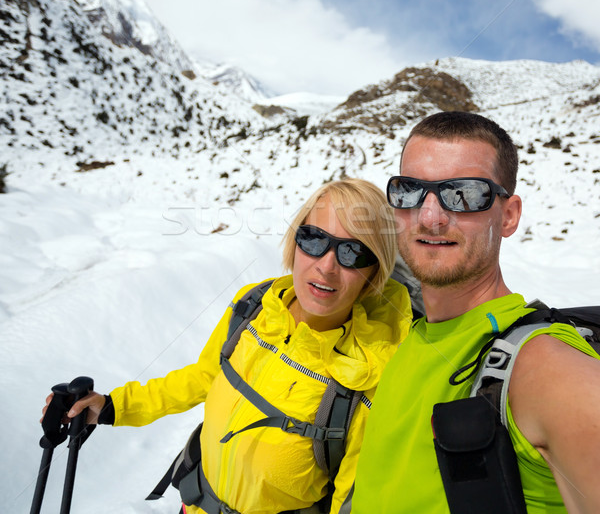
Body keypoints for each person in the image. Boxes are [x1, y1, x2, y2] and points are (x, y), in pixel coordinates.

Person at [41, 178, 412, 514]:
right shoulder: (256, 308)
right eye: (314, 239)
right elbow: (206, 376)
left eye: (352, 253)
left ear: (373, 273)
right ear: (295, 243)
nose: (326, 266)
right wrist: (112, 407)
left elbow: (352, 501)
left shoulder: (370, 372)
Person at [351, 111, 600, 513]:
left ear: (509, 215)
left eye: (464, 194)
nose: (430, 217)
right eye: (409, 190)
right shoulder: (412, 336)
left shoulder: (538, 366)